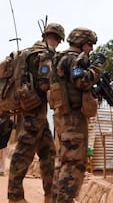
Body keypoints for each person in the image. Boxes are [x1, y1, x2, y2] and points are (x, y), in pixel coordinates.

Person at [7, 23, 65, 203]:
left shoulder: (26, 53)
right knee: (23, 152)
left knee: (48, 152)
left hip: (33, 111)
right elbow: (44, 83)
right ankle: (15, 197)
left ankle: (50, 194)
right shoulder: (44, 55)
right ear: (57, 38)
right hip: (34, 112)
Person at [49, 27, 105, 203]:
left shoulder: (60, 58)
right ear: (82, 43)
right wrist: (98, 65)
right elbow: (84, 81)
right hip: (72, 119)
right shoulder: (71, 59)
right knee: (74, 165)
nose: (91, 49)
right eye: (90, 45)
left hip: (63, 118)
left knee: (64, 164)